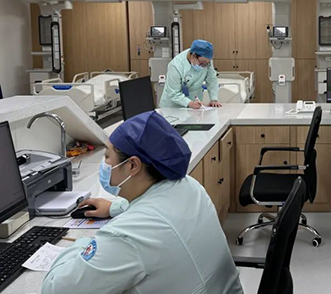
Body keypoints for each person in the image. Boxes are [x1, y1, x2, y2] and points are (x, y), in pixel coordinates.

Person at [42, 111, 243, 294]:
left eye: (107, 156)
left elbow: (55, 289)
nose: (104, 165)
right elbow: (159, 211)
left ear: (133, 165)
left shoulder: (127, 236)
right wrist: (114, 207)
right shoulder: (189, 186)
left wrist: (85, 243)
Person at [159, 39, 222, 109]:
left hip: (194, 105)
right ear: (193, 55)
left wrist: (213, 99)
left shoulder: (206, 61)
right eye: (202, 63)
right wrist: (189, 103)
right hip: (173, 106)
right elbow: (174, 93)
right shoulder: (176, 65)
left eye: (207, 63)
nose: (204, 66)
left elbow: (212, 80)